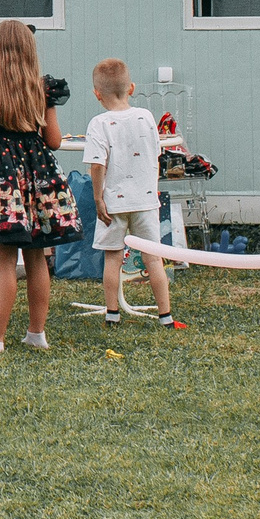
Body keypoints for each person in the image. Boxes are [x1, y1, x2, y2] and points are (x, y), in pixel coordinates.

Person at [0, 19, 79, 352]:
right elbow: (53, 140)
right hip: (37, 180)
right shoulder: (43, 90)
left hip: (3, 185)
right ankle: (37, 334)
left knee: (5, 260)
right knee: (37, 258)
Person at [83, 59, 177, 329]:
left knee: (112, 258)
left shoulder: (98, 123)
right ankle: (165, 316)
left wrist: (98, 198)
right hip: (146, 200)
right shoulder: (146, 117)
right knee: (153, 258)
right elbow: (155, 154)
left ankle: (112, 313)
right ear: (132, 88)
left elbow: (97, 165)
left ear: (97, 94)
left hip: (113, 204)